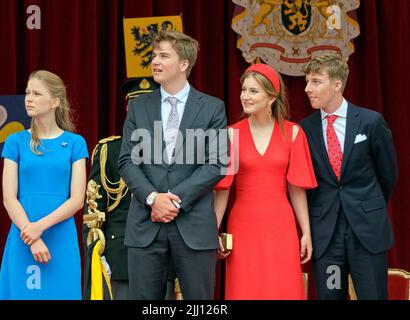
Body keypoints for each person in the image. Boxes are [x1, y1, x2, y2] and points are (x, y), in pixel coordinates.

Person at [118, 30, 227, 300]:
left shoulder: (213, 107)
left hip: (194, 224)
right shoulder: (139, 107)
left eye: (164, 56)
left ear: (183, 64)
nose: (155, 61)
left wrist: (173, 202)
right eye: (154, 55)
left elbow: (216, 164)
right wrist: (153, 199)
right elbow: (126, 160)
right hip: (146, 223)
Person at [214, 63, 317, 300]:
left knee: (283, 289)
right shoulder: (231, 134)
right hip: (243, 227)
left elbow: (297, 188)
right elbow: (222, 190)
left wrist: (306, 232)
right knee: (244, 290)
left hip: (281, 225)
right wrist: (214, 228)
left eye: (253, 91)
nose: (245, 97)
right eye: (244, 90)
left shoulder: (293, 133)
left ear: (271, 96)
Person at [299, 53, 398, 300]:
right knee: (331, 294)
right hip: (328, 236)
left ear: (337, 84)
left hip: (366, 233)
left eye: (316, 81)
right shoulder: (304, 129)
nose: (307, 88)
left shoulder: (370, 122)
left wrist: (366, 205)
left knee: (371, 295)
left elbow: (388, 174)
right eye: (307, 81)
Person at [82, 77, 178, 300]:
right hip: (120, 255)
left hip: (163, 252)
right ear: (127, 108)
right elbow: (94, 209)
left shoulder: (175, 150)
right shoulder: (109, 150)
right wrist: (97, 253)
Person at [0, 70, 88, 299]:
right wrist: (33, 235)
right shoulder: (15, 141)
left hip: (61, 237)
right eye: (28, 92)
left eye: (37, 93)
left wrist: (40, 228)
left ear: (55, 101)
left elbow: (77, 199)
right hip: (23, 235)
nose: (29, 98)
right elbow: (9, 198)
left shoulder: (75, 143)